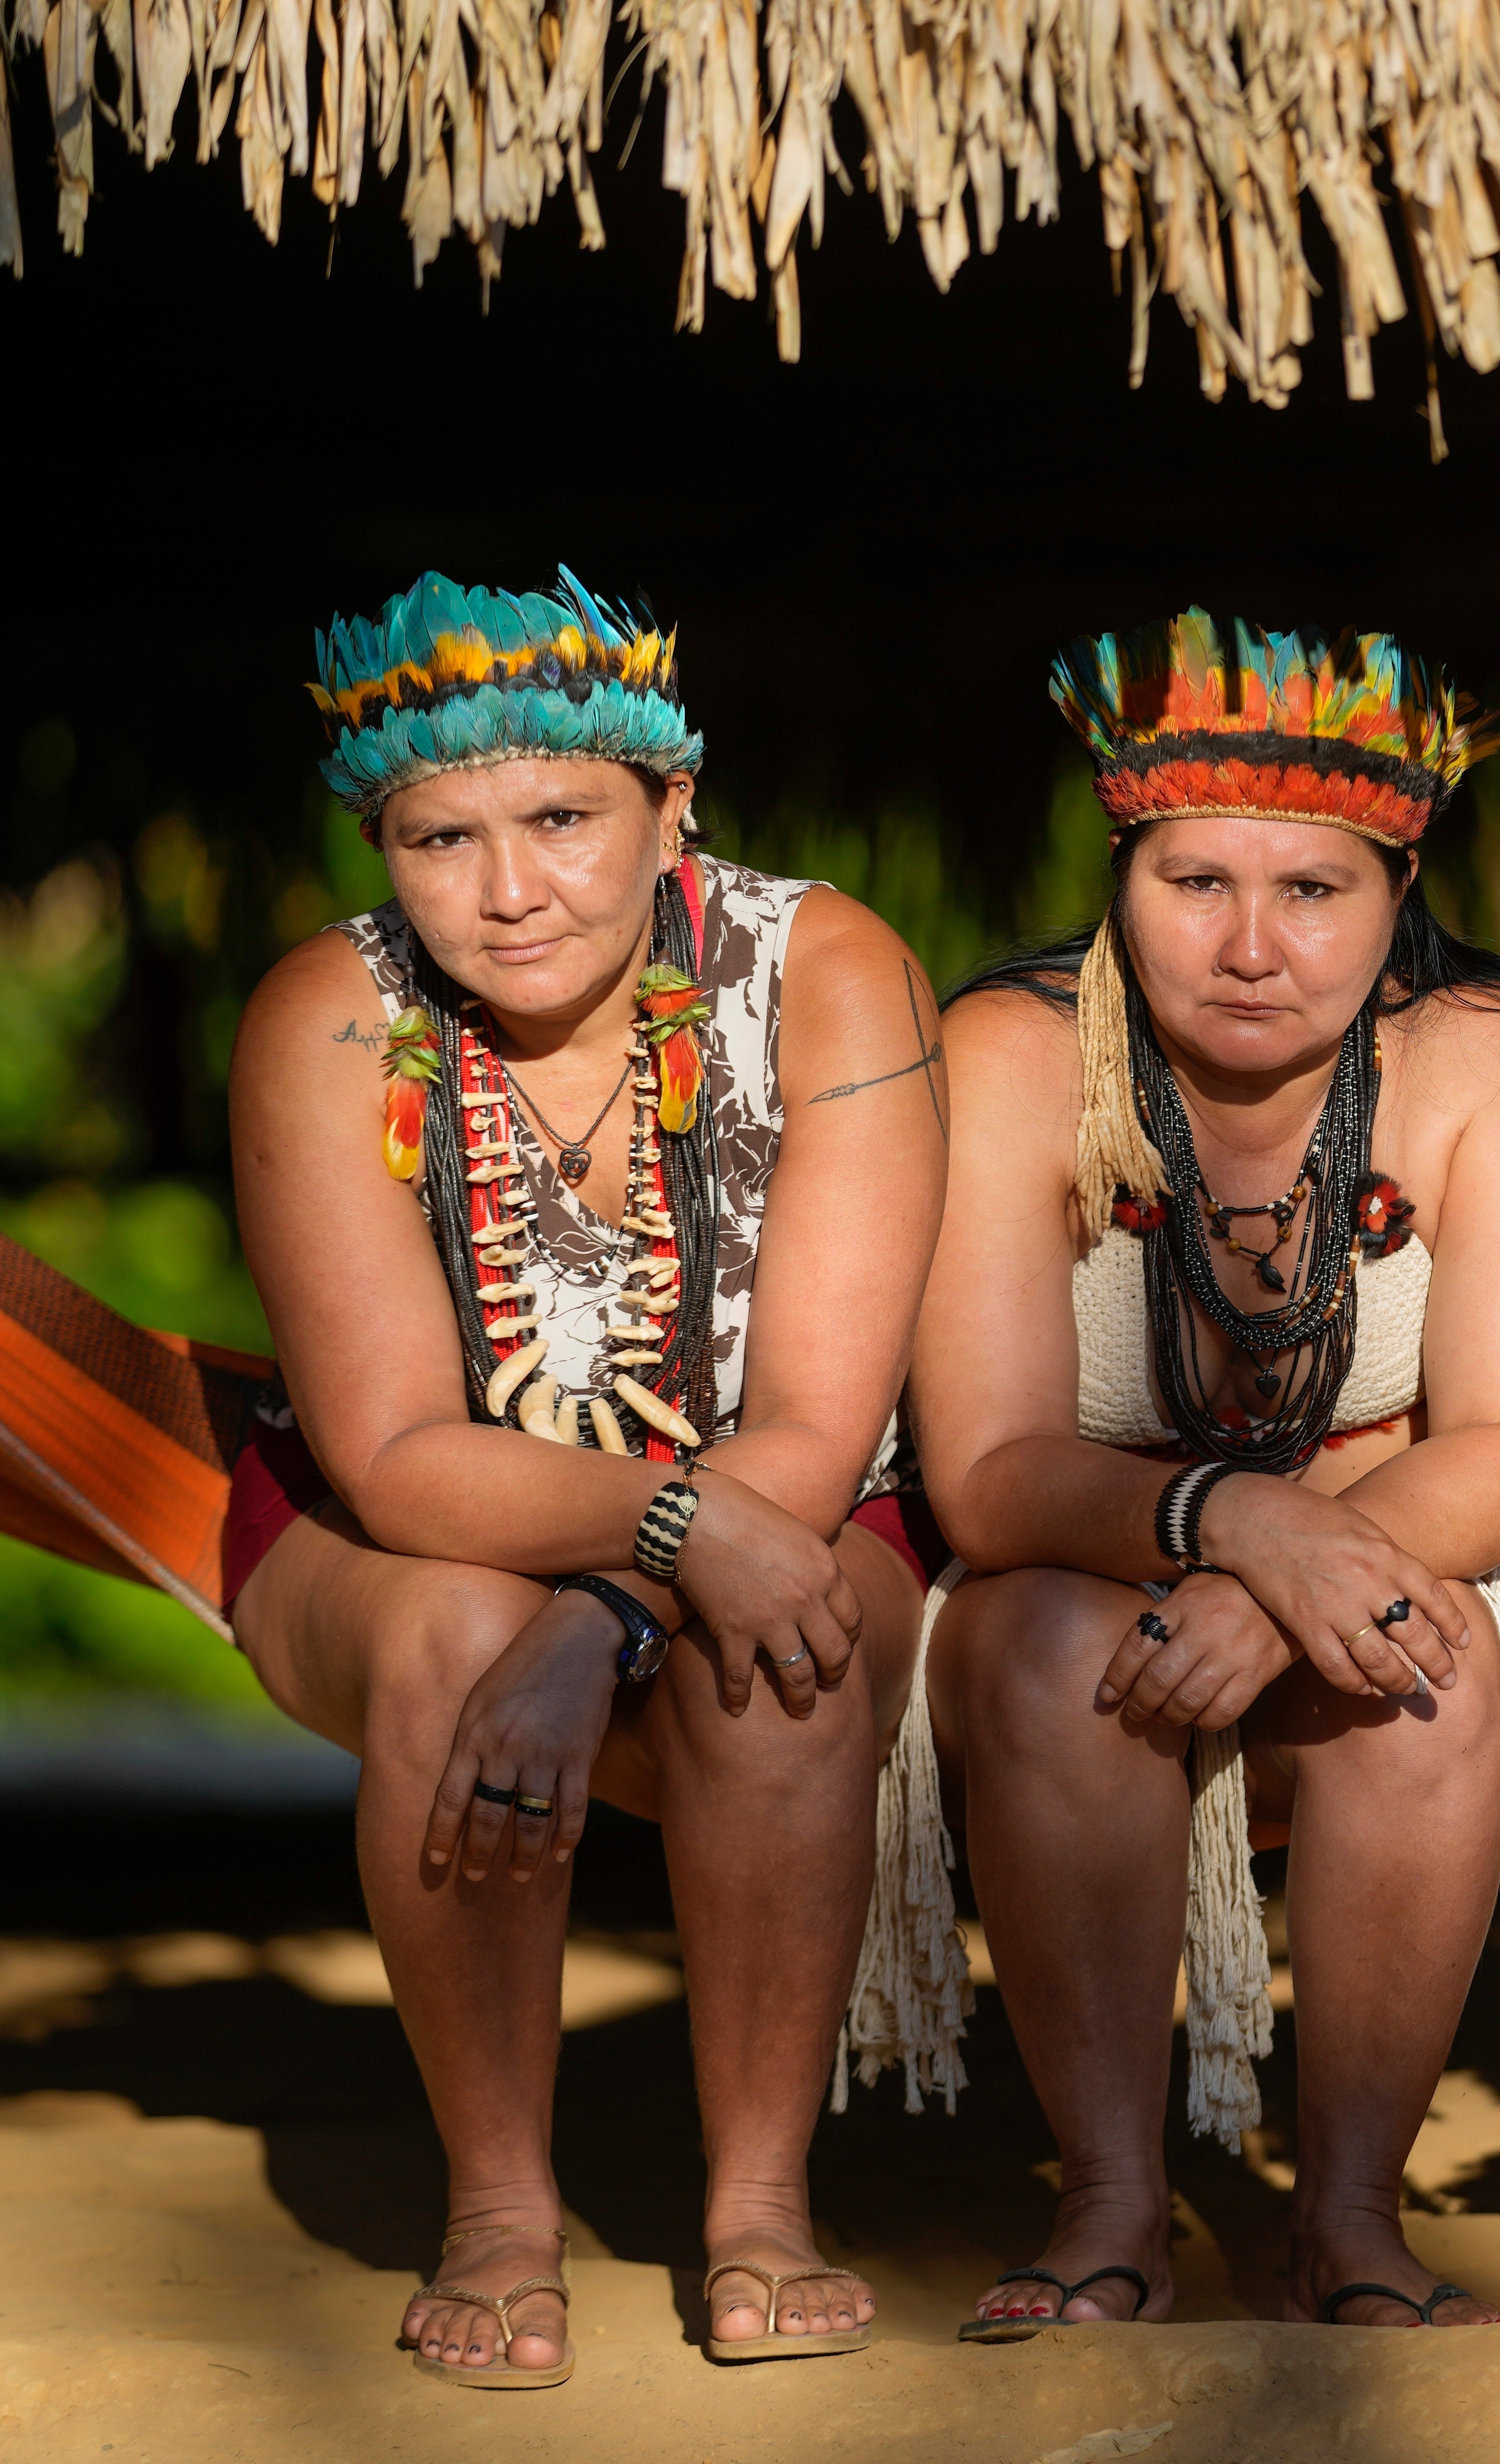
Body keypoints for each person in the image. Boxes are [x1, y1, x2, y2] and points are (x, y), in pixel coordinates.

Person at [223, 570, 950, 2384]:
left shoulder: (829, 973)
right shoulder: (327, 1016)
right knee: (453, 1634)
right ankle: (495, 2208)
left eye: (561, 819)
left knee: (778, 1650)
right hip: (400, 1536)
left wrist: (620, 1605)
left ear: (673, 807)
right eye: (438, 836)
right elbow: (392, 1457)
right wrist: (656, 1529)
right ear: (381, 846)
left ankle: (761, 2205)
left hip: (795, 1496)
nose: (509, 889)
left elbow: (812, 1420)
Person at [896, 611, 1500, 2333]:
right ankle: (1111, 2206)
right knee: (1069, 1658)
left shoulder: (1485, 1057)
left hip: (1378, 1551)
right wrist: (1236, 1524)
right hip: (1068, 1576)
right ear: (1121, 873)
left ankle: (1353, 2219)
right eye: (1196, 882)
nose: (1252, 946)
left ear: (1399, 881)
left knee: (1420, 1667)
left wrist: (1293, 1582)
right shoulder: (1007, 1055)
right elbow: (987, 1475)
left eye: (1316, 893)